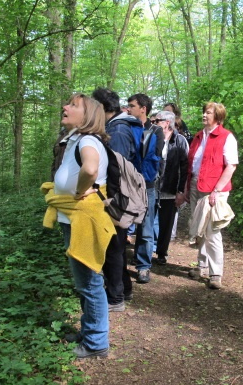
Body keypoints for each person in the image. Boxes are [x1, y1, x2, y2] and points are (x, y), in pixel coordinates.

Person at [43, 94, 113, 358]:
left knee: (90, 282)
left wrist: (82, 189)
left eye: (73, 105)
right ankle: (90, 330)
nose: (65, 106)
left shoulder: (87, 140)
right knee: (85, 282)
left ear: (88, 116)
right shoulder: (74, 138)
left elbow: (91, 169)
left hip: (82, 218)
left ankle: (96, 343)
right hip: (73, 218)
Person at [92, 87, 140, 311]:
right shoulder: (114, 127)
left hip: (116, 199)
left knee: (114, 247)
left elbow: (117, 170)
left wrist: (108, 199)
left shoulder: (118, 131)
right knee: (116, 246)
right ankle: (123, 290)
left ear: (103, 108)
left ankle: (115, 297)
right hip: (115, 197)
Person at [185, 102, 238, 290]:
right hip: (195, 186)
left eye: (208, 113)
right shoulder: (198, 136)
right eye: (204, 112)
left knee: (212, 231)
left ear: (218, 117)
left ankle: (216, 273)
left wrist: (216, 190)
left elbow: (231, 166)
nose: (204, 115)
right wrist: (186, 188)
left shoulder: (226, 137)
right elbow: (191, 166)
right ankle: (202, 266)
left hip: (214, 189)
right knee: (198, 226)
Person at [127, 93, 164, 284]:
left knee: (146, 226)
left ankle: (143, 266)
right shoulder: (125, 127)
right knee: (124, 222)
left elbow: (154, 158)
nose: (128, 108)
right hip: (127, 184)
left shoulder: (156, 131)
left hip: (147, 185)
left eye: (132, 106)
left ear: (143, 108)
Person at [153, 110, 189, 264]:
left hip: (170, 189)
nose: (154, 123)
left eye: (157, 121)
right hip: (151, 189)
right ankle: (144, 253)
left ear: (167, 123)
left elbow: (185, 167)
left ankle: (161, 253)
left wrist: (181, 191)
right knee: (146, 223)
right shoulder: (153, 137)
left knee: (166, 224)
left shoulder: (180, 141)